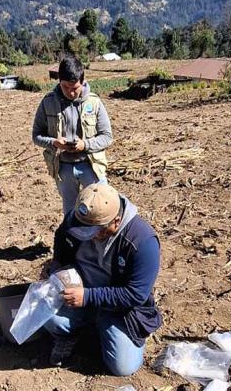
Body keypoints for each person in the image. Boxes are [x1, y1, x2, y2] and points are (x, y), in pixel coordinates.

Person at [42, 183, 162, 376]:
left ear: (115, 221)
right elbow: (62, 246)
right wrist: (56, 270)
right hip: (80, 290)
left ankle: (102, 324)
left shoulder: (142, 241)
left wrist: (88, 297)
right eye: (83, 229)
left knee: (123, 367)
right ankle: (75, 332)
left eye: (95, 231)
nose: (88, 236)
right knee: (45, 316)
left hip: (119, 308)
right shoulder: (78, 219)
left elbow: (136, 294)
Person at [32, 56, 113, 214]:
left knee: (102, 209)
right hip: (63, 169)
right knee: (70, 213)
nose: (70, 92)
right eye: (65, 87)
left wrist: (85, 145)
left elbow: (107, 136)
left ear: (82, 81)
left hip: (90, 166)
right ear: (59, 81)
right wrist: (54, 142)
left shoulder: (94, 103)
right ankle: (75, 238)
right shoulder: (48, 102)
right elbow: (36, 135)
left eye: (75, 88)